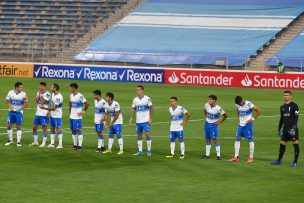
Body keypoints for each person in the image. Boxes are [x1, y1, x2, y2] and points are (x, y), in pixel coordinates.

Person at [271, 91, 300, 167]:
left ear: (290, 96)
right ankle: (279, 160)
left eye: (287, 95)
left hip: (292, 129)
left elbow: (296, 117)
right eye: (284, 95)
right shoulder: (282, 107)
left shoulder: (294, 106)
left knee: (295, 143)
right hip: (285, 129)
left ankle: (295, 161)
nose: (285, 97)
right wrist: (279, 129)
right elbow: (281, 119)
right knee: (282, 143)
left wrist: (294, 127)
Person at [229, 96, 261, 163]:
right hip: (240, 125)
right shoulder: (237, 105)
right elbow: (238, 110)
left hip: (248, 125)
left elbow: (258, 110)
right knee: (237, 139)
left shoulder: (249, 104)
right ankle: (236, 157)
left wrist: (252, 119)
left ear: (242, 101)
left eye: (239, 104)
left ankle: (251, 157)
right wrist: (238, 120)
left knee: (250, 140)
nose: (239, 105)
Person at [129, 85, 153, 156]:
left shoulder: (147, 98)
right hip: (138, 121)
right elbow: (133, 109)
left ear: (142, 90)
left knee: (147, 134)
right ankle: (140, 151)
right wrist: (131, 118)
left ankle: (149, 150)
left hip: (145, 120)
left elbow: (151, 108)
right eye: (137, 90)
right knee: (139, 135)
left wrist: (150, 118)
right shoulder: (135, 99)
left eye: (139, 90)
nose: (138, 91)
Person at [202, 95, 228, 160]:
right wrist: (206, 117)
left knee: (215, 139)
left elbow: (225, 116)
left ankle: (218, 156)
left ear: (214, 100)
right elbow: (205, 110)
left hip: (213, 126)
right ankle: (207, 155)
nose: (208, 100)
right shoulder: (206, 105)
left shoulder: (218, 108)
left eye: (210, 99)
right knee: (207, 139)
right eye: (208, 99)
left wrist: (219, 122)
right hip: (207, 124)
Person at [40, 83, 63, 149]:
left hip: (57, 115)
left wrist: (45, 108)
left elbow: (54, 108)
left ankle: (60, 144)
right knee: (52, 128)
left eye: (52, 87)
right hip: (52, 115)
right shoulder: (53, 94)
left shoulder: (59, 97)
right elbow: (51, 104)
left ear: (55, 88)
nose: (50, 88)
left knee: (58, 129)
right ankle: (52, 144)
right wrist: (48, 112)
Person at [5, 82, 28, 146]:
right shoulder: (10, 92)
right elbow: (6, 101)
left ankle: (18, 142)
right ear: (16, 87)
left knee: (18, 126)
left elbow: (26, 103)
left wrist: (20, 109)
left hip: (19, 113)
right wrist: (10, 107)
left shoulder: (23, 94)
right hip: (11, 112)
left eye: (21, 87)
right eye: (20, 87)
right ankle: (10, 140)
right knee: (9, 125)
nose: (21, 88)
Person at [29, 82, 51, 147]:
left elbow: (43, 102)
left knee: (44, 128)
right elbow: (36, 101)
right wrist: (39, 95)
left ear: (44, 87)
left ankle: (43, 143)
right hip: (37, 113)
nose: (40, 87)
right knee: (34, 127)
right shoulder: (38, 92)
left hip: (44, 113)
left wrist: (40, 95)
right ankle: (35, 142)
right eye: (39, 86)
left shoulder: (47, 94)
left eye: (41, 86)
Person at [69, 83, 89, 151]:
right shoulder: (71, 95)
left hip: (77, 117)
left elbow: (87, 104)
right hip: (72, 116)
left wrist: (83, 111)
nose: (69, 89)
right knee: (73, 130)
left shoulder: (80, 96)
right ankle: (75, 145)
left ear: (74, 88)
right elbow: (70, 103)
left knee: (78, 130)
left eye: (70, 87)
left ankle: (79, 146)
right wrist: (70, 112)